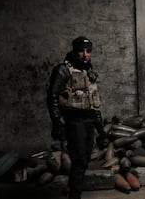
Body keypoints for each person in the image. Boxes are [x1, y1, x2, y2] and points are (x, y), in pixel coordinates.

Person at [47, 36, 107, 199]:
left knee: (84, 159)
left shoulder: (88, 71)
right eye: (81, 51)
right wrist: (57, 123)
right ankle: (75, 196)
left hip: (89, 120)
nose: (85, 55)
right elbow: (52, 97)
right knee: (79, 159)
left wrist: (101, 131)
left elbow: (92, 102)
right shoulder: (63, 70)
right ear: (74, 51)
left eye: (88, 51)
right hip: (74, 121)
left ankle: (74, 191)